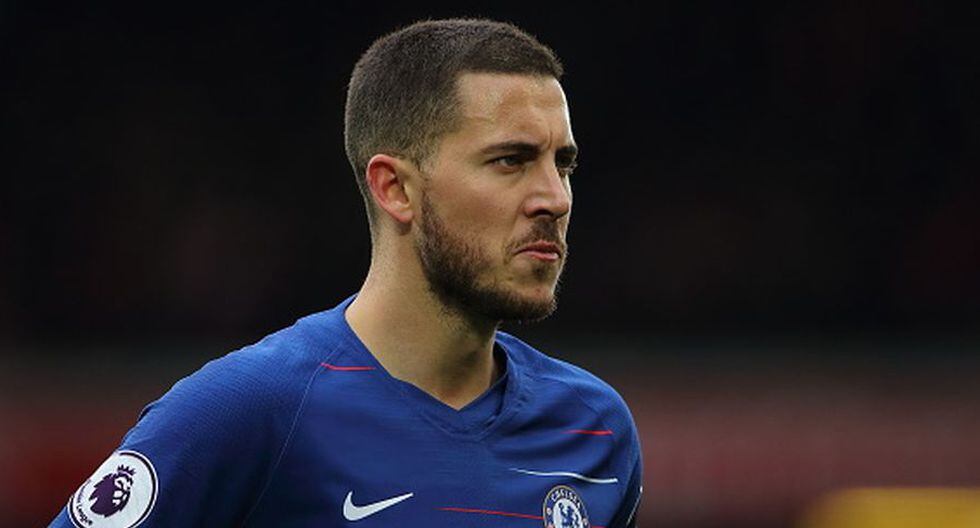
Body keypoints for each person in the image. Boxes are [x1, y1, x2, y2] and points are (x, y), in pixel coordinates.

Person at [51, 18, 642, 528]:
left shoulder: (594, 432)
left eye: (563, 165)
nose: (554, 198)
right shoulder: (248, 411)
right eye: (511, 160)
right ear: (395, 189)